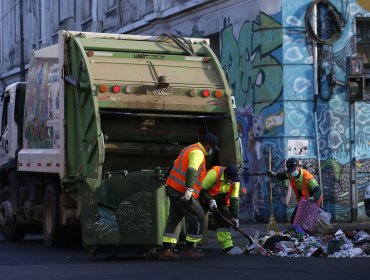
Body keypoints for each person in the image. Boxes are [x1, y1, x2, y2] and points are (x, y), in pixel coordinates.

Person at [158, 131, 220, 261]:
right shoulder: (198, 153)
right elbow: (191, 171)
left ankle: (166, 250)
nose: (211, 151)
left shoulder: (188, 148)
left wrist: (165, 176)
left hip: (173, 188)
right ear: (208, 145)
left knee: (174, 219)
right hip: (183, 191)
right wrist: (189, 189)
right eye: (212, 148)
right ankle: (189, 249)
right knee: (198, 217)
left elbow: (174, 163)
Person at [199, 164, 244, 255]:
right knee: (198, 218)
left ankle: (227, 246)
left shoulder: (235, 181)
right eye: (231, 179)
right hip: (204, 198)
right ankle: (188, 246)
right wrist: (210, 200)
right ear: (226, 175)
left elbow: (234, 199)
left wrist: (234, 217)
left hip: (220, 201)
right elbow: (201, 189)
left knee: (225, 218)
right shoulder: (214, 173)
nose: (233, 182)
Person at [268, 157, 322, 224]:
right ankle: (299, 232)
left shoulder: (307, 177)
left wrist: (313, 198)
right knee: (294, 219)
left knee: (304, 220)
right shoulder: (290, 174)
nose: (292, 172)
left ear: (298, 166)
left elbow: (317, 189)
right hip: (303, 200)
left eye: (293, 170)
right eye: (290, 170)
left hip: (312, 199)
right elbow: (283, 175)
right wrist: (274, 174)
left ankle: (304, 232)